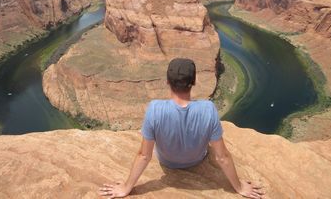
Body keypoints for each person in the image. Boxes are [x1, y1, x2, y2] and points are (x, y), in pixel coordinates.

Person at [100, 58, 264, 198]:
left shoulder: (154, 109)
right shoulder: (208, 109)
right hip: (197, 159)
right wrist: (239, 187)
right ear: (193, 82)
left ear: (167, 82)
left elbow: (144, 155)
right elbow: (222, 157)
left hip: (167, 162)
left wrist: (126, 188)